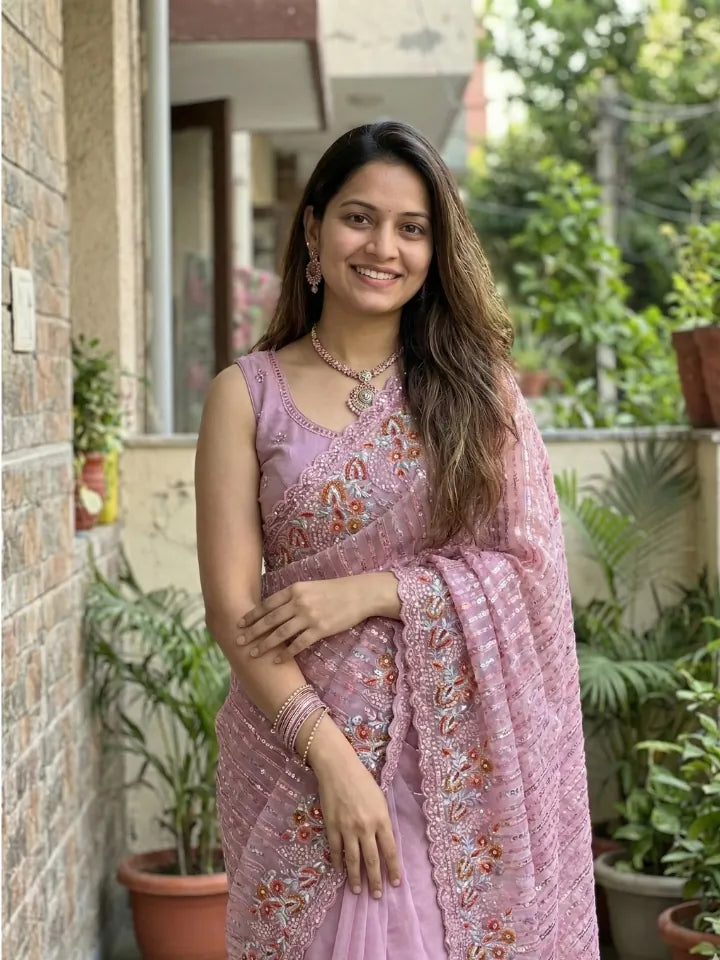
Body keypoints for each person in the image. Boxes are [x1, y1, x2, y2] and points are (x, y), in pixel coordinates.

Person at [195, 120, 599, 960]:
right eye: (358, 218)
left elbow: (529, 573)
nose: (384, 247)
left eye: (412, 228)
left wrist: (375, 591)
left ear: (434, 247)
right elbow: (235, 609)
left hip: (457, 772)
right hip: (295, 762)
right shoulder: (245, 395)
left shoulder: (477, 394)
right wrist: (333, 761)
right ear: (311, 229)